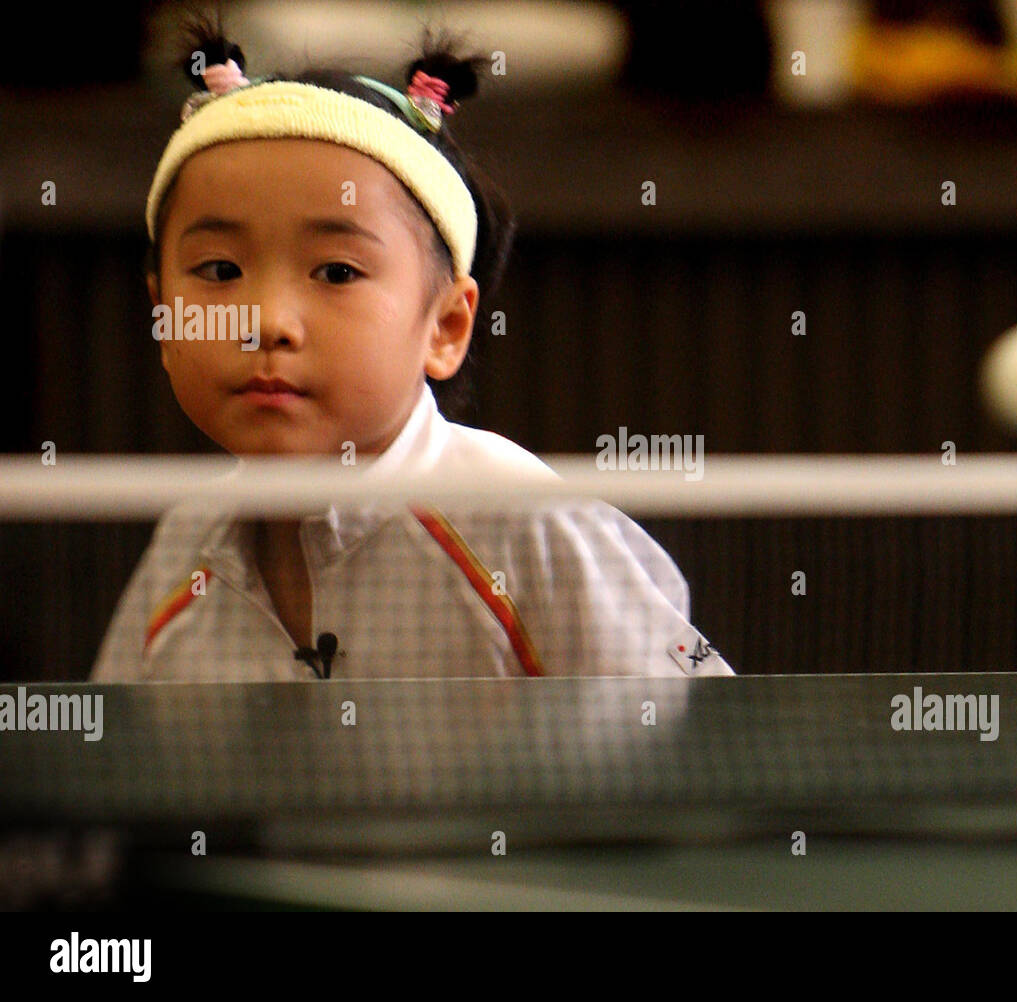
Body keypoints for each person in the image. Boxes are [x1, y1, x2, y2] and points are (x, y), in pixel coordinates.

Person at [90, 16, 731, 682]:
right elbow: (113, 774)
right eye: (220, 271)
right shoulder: (180, 548)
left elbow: (706, 751)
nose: (268, 322)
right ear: (164, 317)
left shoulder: (523, 522)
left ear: (447, 327)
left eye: (337, 271)